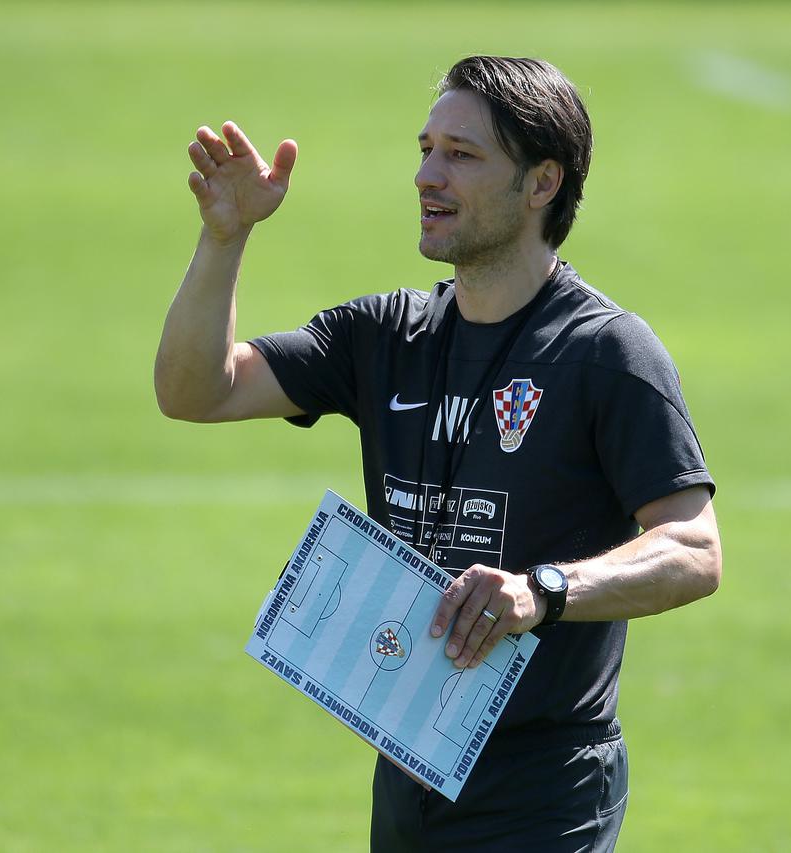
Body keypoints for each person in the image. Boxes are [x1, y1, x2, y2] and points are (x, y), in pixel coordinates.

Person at [154, 55, 721, 852]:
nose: (427, 174)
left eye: (462, 154)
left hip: (543, 787)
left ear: (542, 183)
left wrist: (544, 591)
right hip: (410, 763)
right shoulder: (385, 334)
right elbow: (193, 391)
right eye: (425, 148)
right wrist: (224, 238)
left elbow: (695, 549)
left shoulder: (606, 352)